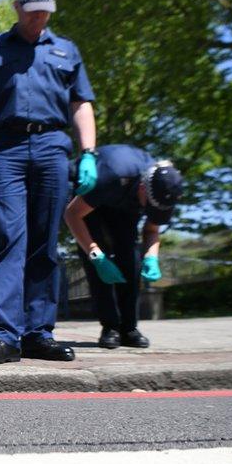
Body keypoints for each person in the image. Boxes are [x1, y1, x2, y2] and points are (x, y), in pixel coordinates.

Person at [0, 0, 99, 364]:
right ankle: (5, 336)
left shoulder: (66, 51)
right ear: (18, 7)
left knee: (44, 241)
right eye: (34, 11)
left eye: (46, 13)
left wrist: (89, 153)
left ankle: (39, 333)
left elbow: (81, 104)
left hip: (53, 148)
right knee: (8, 239)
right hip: (6, 149)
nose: (40, 19)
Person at [63, 145, 184, 349]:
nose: (152, 211)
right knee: (96, 262)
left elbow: (152, 230)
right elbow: (72, 215)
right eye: (150, 205)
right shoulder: (112, 175)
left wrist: (151, 257)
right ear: (143, 188)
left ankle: (129, 328)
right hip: (88, 197)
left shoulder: (165, 192)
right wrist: (96, 256)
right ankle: (110, 327)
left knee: (130, 259)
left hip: (124, 205)